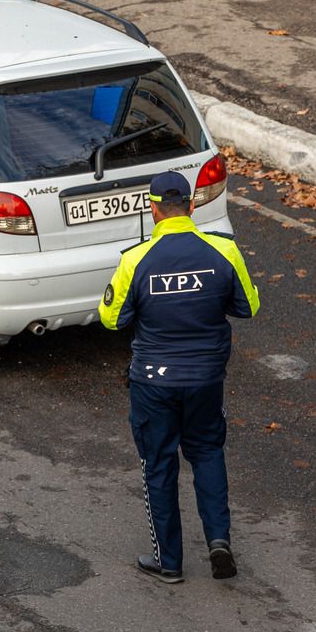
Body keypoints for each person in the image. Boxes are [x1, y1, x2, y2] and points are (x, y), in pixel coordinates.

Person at [99, 171, 260, 583]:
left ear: (153, 210)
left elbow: (111, 318)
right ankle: (218, 541)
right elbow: (248, 307)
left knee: (159, 464)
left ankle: (168, 562)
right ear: (191, 206)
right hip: (206, 378)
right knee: (207, 453)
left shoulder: (135, 259)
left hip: (153, 383)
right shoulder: (223, 250)